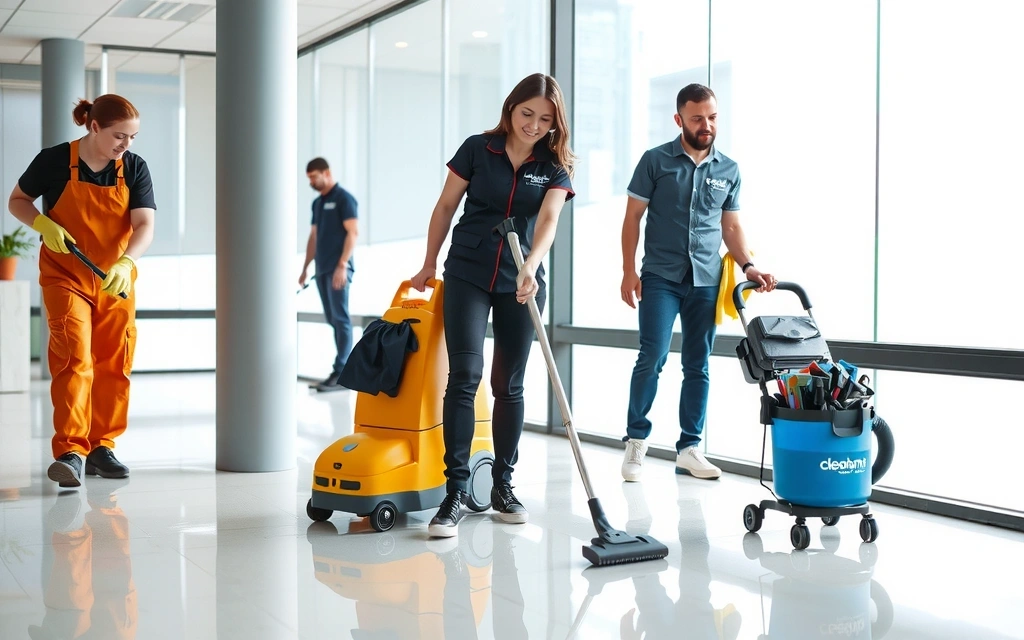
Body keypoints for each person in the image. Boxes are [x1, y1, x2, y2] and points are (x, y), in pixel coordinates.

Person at [410, 73, 575, 538]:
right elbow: (445, 207)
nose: (534, 125)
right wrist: (428, 262)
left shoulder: (555, 166)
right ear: (510, 109)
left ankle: (503, 484)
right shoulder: (478, 149)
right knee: (464, 375)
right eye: (527, 114)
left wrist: (532, 267)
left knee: (510, 383)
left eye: (545, 119)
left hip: (519, 280)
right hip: (467, 270)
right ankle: (456, 490)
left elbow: (548, 220)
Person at [619, 83, 776, 482]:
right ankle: (636, 442)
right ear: (679, 120)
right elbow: (632, 218)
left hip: (706, 280)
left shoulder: (729, 169)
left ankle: (689, 448)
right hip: (660, 277)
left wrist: (749, 266)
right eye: (697, 118)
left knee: (698, 366)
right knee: (651, 357)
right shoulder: (655, 161)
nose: (706, 125)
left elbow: (732, 226)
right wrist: (627, 271)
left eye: (712, 117)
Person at [7, 94, 156, 488]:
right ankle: (71, 452)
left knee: (114, 363)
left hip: (114, 281)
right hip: (64, 274)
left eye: (132, 137)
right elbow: (17, 202)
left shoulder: (134, 168)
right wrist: (42, 224)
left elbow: (144, 225)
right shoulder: (54, 160)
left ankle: (102, 446)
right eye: (119, 136)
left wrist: (127, 262)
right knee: (75, 359)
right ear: (93, 128)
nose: (126, 144)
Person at [299, 157, 359, 392]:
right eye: (309, 178)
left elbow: (353, 233)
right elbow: (313, 237)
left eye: (314, 176)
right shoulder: (317, 204)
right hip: (322, 270)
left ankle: (343, 371)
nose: (312, 181)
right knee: (333, 319)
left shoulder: (344, 199)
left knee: (341, 318)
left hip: (339, 270)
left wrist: (342, 264)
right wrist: (305, 267)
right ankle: (339, 371)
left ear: (327, 173)